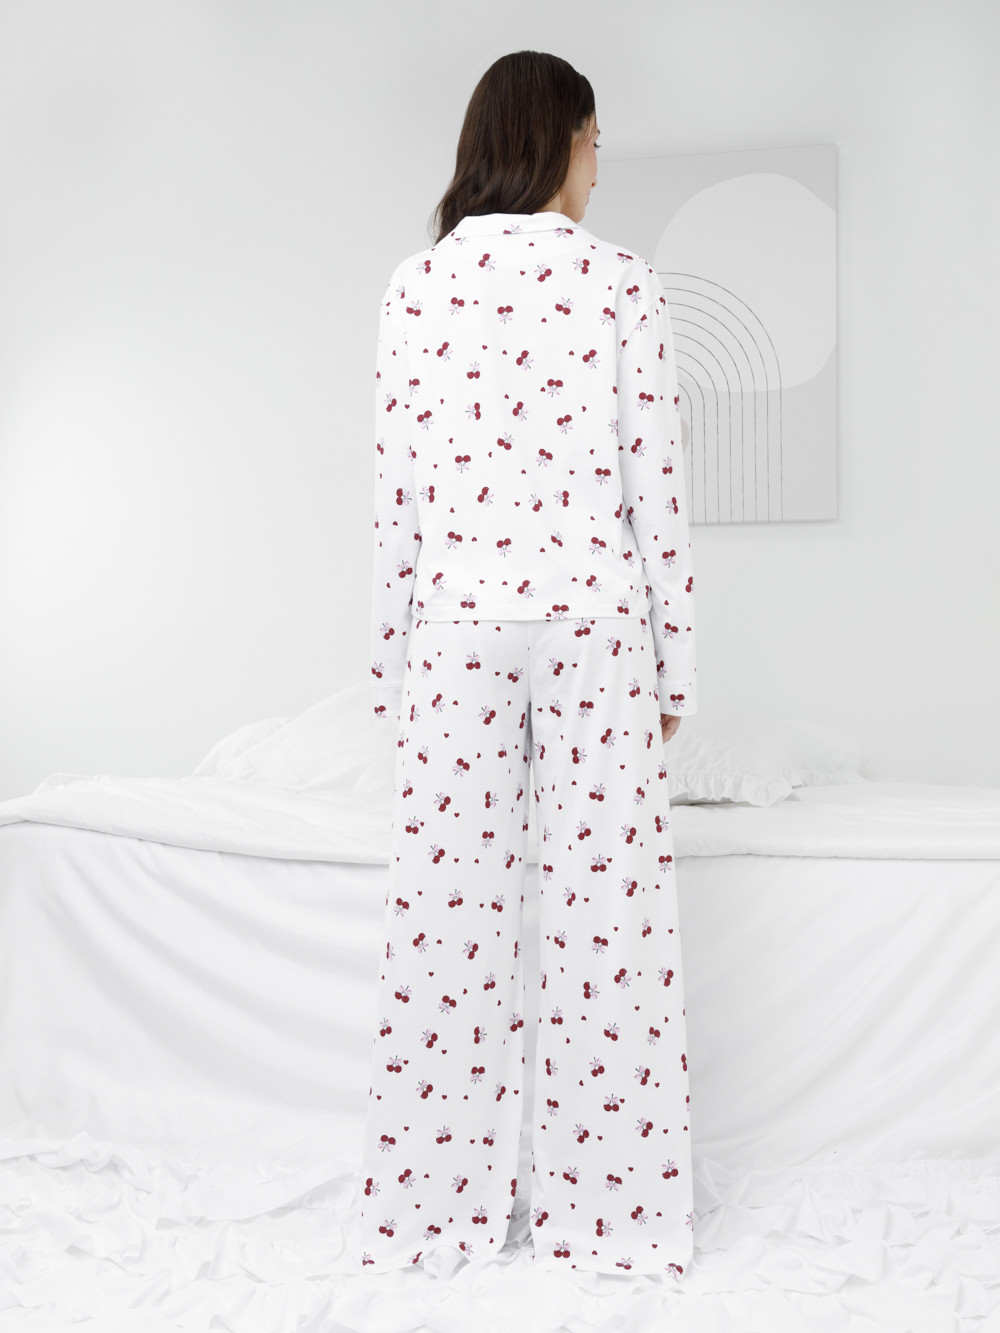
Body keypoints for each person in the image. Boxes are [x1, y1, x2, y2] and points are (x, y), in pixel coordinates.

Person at [358, 50, 698, 1279]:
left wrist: (392, 669)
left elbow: (397, 494)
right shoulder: (620, 282)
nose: (599, 168)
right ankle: (615, 1218)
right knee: (611, 922)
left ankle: (426, 1215)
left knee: (443, 922)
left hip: (455, 628)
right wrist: (675, 669)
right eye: (593, 142)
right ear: (553, 140)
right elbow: (655, 486)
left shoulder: (416, 287)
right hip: (594, 623)